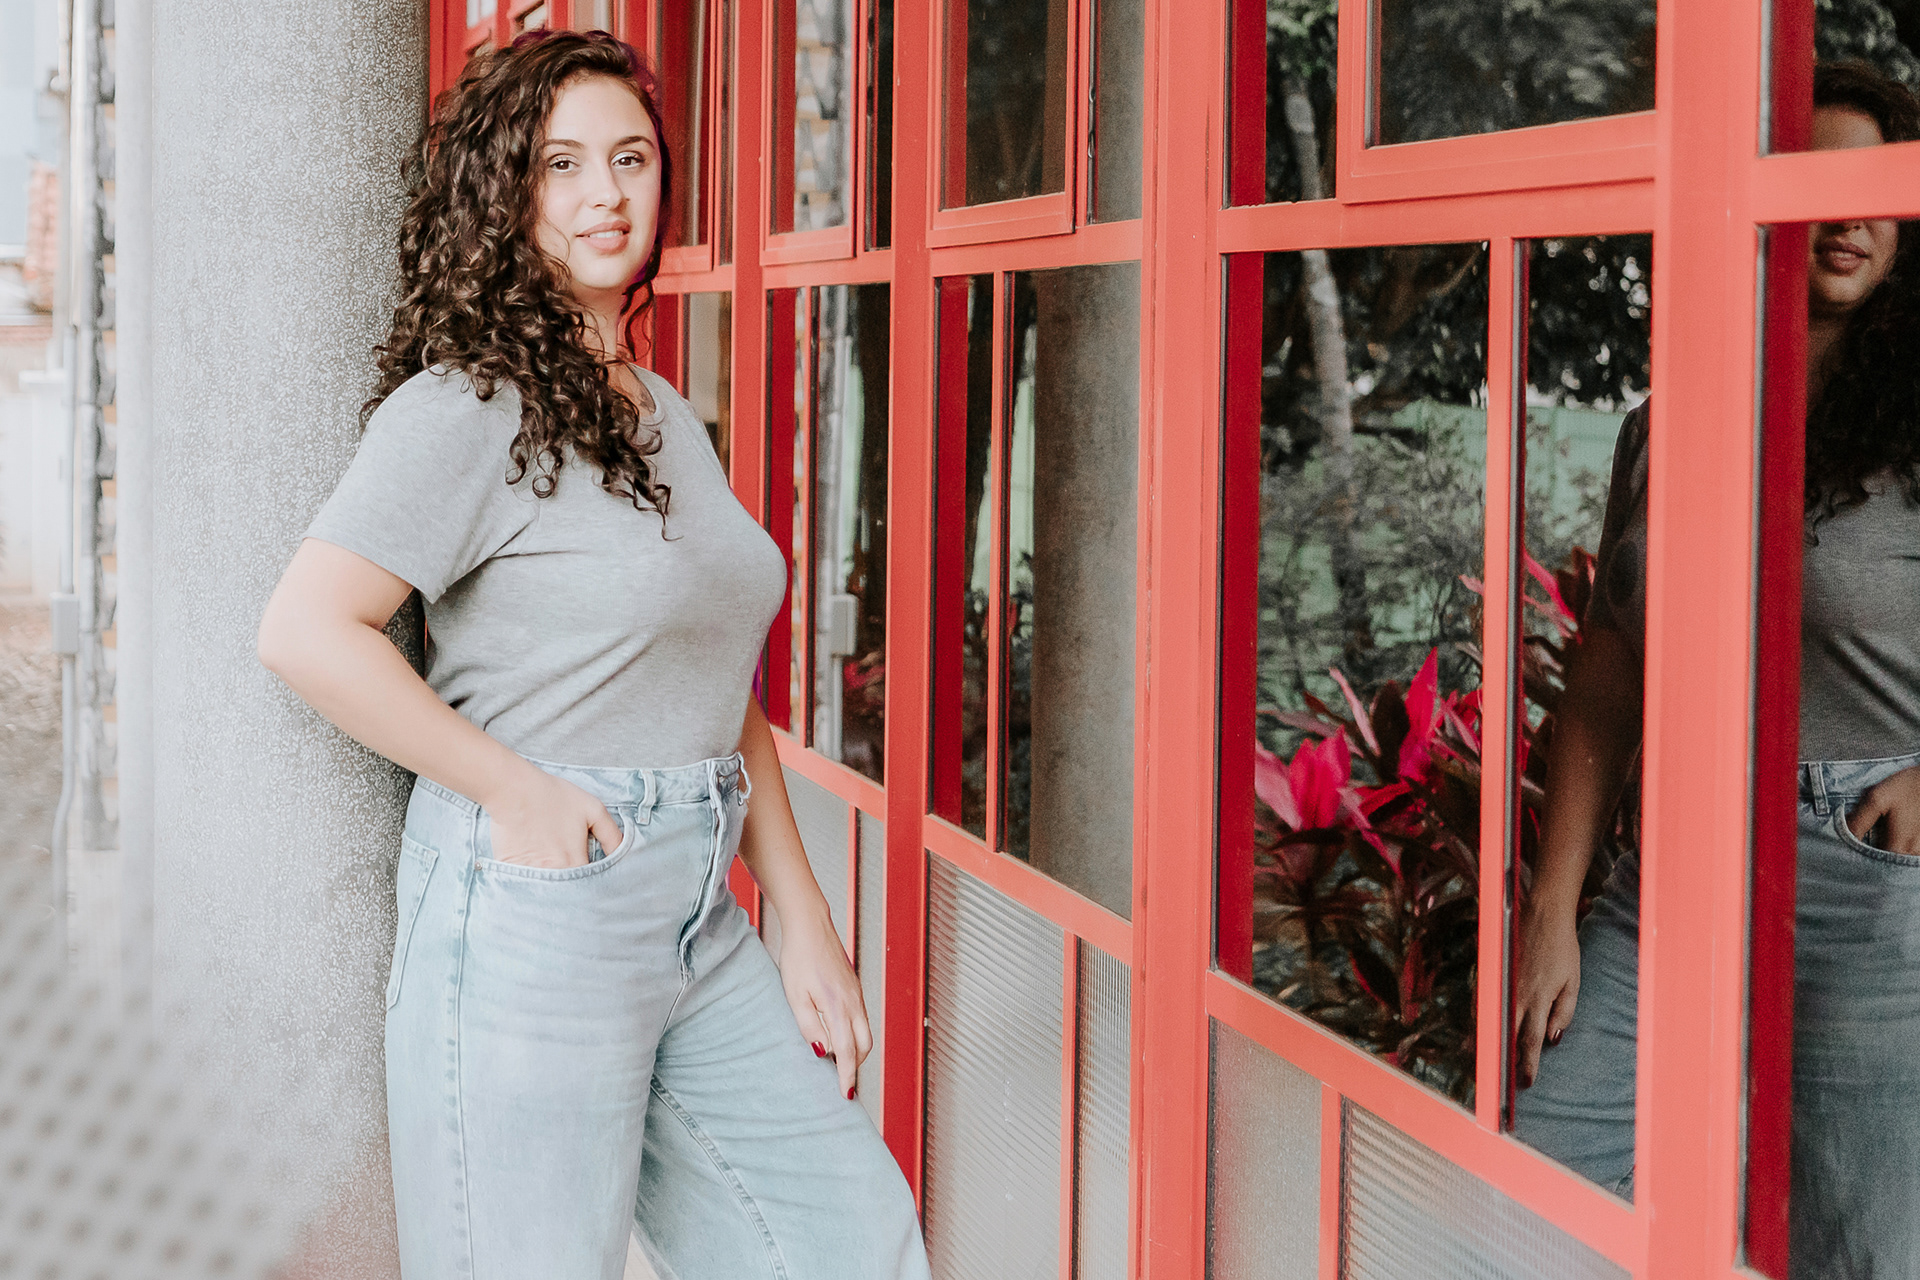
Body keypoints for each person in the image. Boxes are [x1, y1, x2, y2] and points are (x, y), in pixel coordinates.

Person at [256, 30, 931, 1280]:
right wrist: (517, 792)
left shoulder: (665, 414)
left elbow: (713, 681)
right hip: (537, 898)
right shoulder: (465, 408)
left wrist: (801, 908)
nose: (605, 193)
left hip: (696, 904)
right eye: (560, 165)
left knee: (848, 1242)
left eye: (630, 158)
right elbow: (305, 628)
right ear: (504, 194)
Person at [1511, 59, 1920, 1279]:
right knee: (1541, 1176)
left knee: (1858, 1244)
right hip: (1682, 859)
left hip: (1869, 867)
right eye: (1816, 186)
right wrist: (1554, 906)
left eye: (1875, 192)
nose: (1845, 219)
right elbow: (1610, 667)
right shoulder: (1672, 417)